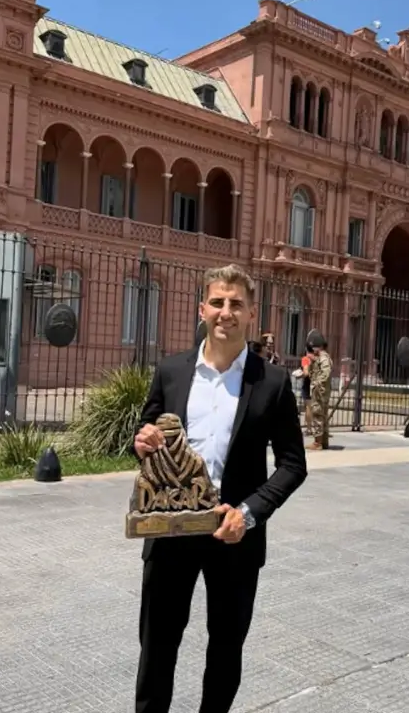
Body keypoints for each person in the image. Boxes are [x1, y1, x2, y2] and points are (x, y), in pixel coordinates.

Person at [133, 264, 308, 713]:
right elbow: (146, 433)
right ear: (202, 310)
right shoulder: (171, 371)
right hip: (171, 531)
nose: (225, 312)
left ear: (252, 315)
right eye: (217, 302)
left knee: (226, 649)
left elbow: (293, 464)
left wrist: (249, 513)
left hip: (233, 535)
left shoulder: (271, 383)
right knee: (156, 649)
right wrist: (142, 441)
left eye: (236, 304)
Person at [307, 338, 333, 450]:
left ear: (320, 346)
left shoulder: (323, 358)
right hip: (321, 391)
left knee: (317, 415)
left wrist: (316, 383)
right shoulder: (320, 358)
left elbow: (325, 373)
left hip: (320, 391)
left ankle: (318, 442)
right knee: (323, 416)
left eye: (314, 347)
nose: (313, 349)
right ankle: (324, 441)